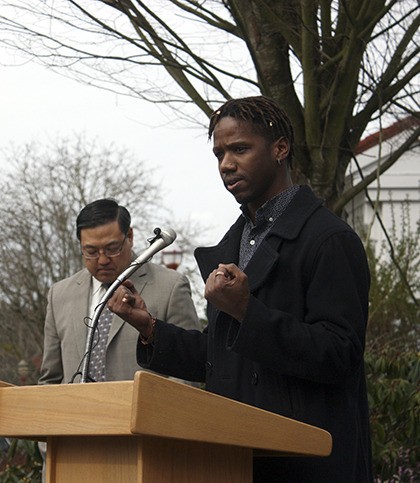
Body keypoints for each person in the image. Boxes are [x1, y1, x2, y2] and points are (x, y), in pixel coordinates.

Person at [108, 96, 373, 482]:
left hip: (307, 464)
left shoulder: (329, 239)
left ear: (280, 148)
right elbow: (222, 356)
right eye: (219, 154)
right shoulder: (235, 242)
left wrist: (248, 311)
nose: (226, 164)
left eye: (240, 149)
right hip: (233, 458)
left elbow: (340, 354)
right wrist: (148, 326)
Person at [39, 198, 200, 385]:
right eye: (91, 251)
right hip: (75, 413)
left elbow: (188, 372)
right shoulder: (59, 295)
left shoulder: (171, 287)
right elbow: (50, 379)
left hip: (144, 412)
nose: (102, 260)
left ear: (129, 236)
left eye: (112, 249)